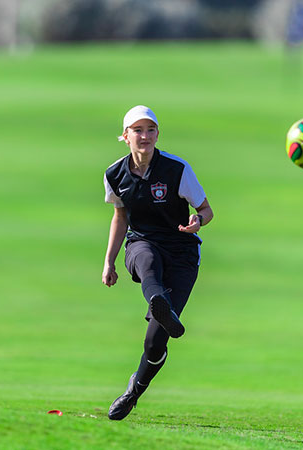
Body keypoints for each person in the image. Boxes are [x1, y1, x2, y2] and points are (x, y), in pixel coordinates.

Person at [102, 105, 214, 421]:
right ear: (125, 136)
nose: (145, 136)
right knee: (146, 260)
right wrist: (109, 261)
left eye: (150, 130)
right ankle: (157, 300)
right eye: (137, 130)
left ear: (157, 135)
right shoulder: (115, 174)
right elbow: (120, 217)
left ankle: (133, 391)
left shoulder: (177, 170)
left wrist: (197, 221)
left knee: (155, 342)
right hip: (141, 243)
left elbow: (206, 210)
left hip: (181, 253)